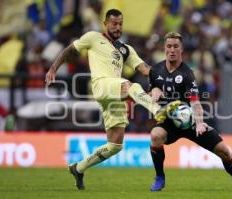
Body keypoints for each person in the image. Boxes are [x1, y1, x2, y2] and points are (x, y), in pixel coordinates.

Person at [45, 9, 180, 190]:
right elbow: (70, 49)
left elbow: (145, 69)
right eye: (114, 24)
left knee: (115, 144)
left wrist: (166, 77)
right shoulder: (93, 37)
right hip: (101, 86)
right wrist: (53, 68)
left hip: (114, 95)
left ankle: (78, 168)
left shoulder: (126, 49)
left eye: (120, 24)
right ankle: (158, 111)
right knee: (130, 86)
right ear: (105, 24)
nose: (117, 27)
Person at [148, 32, 232, 192]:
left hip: (191, 120)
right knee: (155, 135)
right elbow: (151, 91)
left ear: (181, 49)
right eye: (169, 46)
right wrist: (154, 91)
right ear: (164, 48)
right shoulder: (155, 70)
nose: (172, 50)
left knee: (224, 151)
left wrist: (199, 123)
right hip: (169, 121)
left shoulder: (187, 74)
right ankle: (160, 177)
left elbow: (195, 101)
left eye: (175, 46)